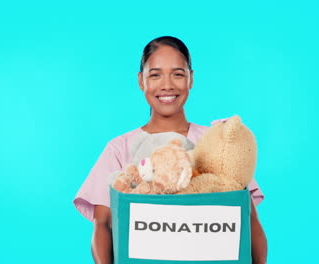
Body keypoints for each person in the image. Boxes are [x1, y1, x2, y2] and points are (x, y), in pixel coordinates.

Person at [73, 36, 268, 264]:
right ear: (141, 81)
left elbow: (249, 217)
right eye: (155, 75)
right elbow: (103, 225)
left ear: (191, 79)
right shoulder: (119, 148)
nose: (167, 85)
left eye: (178, 74)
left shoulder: (215, 141)